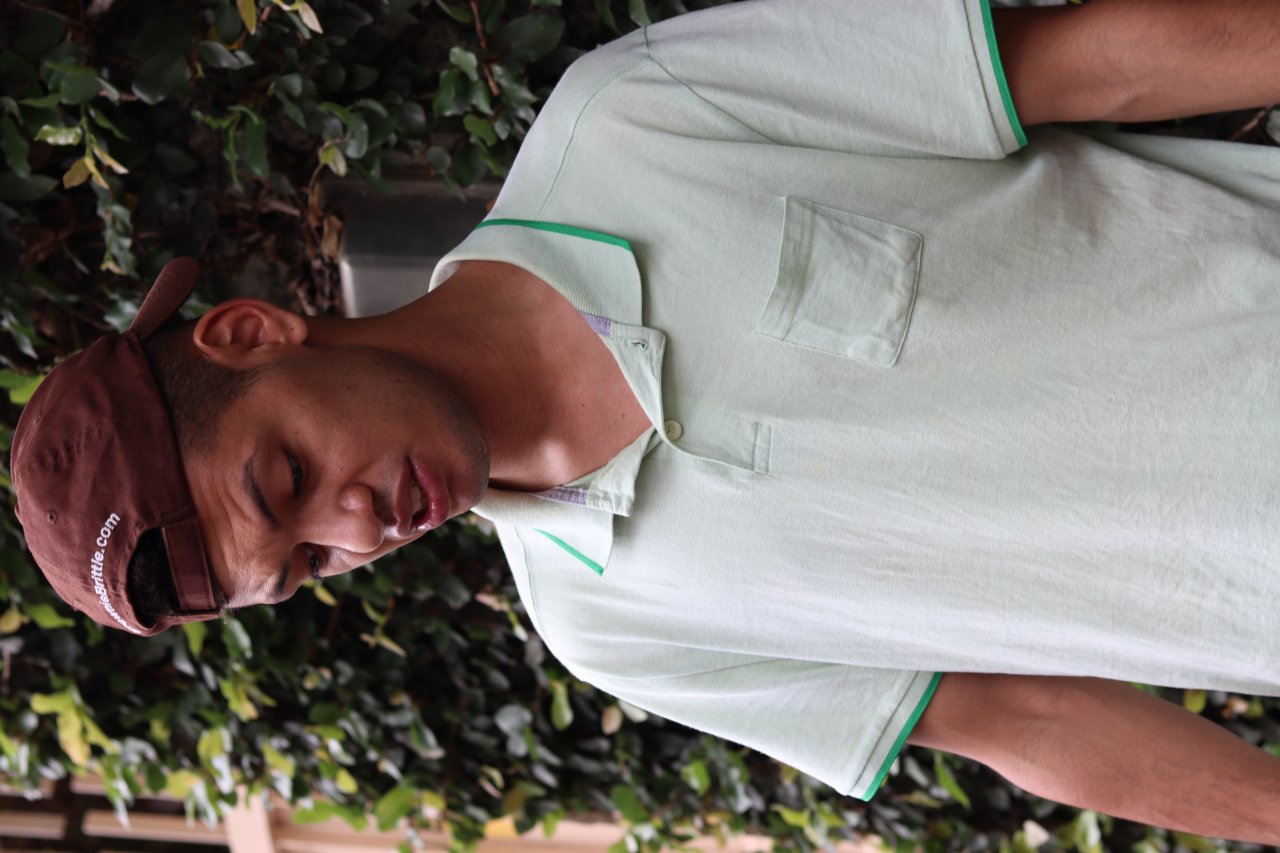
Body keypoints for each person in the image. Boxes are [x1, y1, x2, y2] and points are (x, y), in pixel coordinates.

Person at [11, 0, 1280, 842]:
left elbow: (1098, 64)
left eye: (286, 477)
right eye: (304, 565)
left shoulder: (640, 115)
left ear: (251, 334)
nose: (355, 530)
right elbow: (1023, 718)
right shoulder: (611, 629)